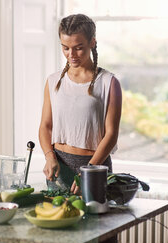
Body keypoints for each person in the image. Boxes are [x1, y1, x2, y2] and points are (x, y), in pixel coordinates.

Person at [39, 13, 122, 196]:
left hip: (95, 166)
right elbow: (45, 126)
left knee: (96, 224)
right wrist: (49, 157)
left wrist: (89, 170)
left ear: (92, 42)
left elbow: (111, 134)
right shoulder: (53, 81)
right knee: (57, 221)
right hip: (59, 167)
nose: (71, 55)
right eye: (65, 48)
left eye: (78, 48)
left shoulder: (109, 82)